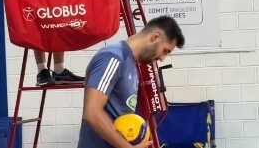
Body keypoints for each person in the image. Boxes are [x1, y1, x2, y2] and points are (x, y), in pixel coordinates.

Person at [77, 16, 185, 148]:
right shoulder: (113, 57)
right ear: (156, 37)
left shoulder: (132, 63)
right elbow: (92, 112)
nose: (162, 58)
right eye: (165, 51)